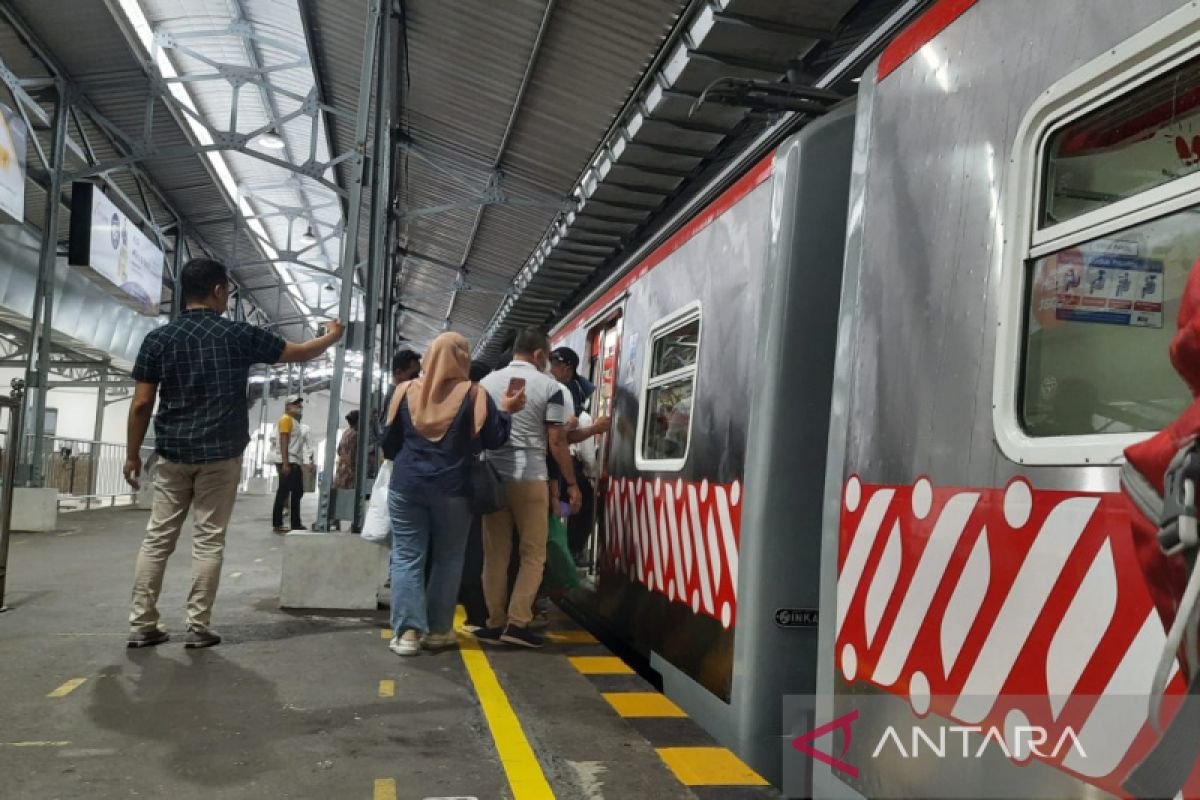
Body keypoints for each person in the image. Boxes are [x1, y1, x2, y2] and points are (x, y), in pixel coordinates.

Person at [123, 257, 344, 649]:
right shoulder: (237, 335)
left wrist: (132, 454)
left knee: (157, 539)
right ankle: (198, 625)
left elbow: (141, 403)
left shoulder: (158, 339)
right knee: (208, 540)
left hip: (172, 452)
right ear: (219, 291)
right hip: (221, 455)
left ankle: (143, 623)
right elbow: (301, 352)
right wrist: (331, 335)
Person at [381, 333, 524, 656]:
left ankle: (407, 634)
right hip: (454, 489)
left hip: (407, 487)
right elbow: (493, 439)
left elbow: (388, 443)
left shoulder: (402, 392)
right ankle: (439, 632)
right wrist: (507, 411)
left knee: (406, 556)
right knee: (448, 558)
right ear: (462, 358)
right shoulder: (475, 394)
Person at [476, 328, 580, 648]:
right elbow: (556, 440)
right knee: (533, 553)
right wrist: (571, 484)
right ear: (538, 355)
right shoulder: (552, 387)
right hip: (530, 478)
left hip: (491, 478)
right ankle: (518, 621)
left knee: (495, 554)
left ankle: (494, 622)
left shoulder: (485, 384)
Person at [549, 346, 610, 562]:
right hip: (564, 464)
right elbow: (579, 453)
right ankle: (573, 550)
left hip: (546, 465)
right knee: (583, 505)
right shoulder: (581, 416)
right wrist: (591, 476)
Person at [458, 360, 495, 631]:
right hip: (470, 481)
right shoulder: (477, 397)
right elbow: (493, 437)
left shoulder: (433, 394)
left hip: (437, 484)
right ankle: (477, 613)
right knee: (474, 550)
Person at [269, 395, 314, 533]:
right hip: (288, 461)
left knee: (298, 491)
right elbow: (283, 441)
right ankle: (277, 524)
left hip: (294, 461)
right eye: (295, 404)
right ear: (288, 407)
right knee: (283, 493)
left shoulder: (294, 422)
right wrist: (286, 463)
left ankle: (295, 522)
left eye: (300, 404)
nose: (299, 406)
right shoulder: (285, 420)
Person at [329, 410, 360, 531]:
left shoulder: (346, 432)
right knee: (352, 494)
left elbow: (339, 450)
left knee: (339, 491)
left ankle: (334, 520)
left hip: (341, 468)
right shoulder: (356, 435)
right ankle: (355, 523)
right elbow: (354, 454)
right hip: (350, 469)